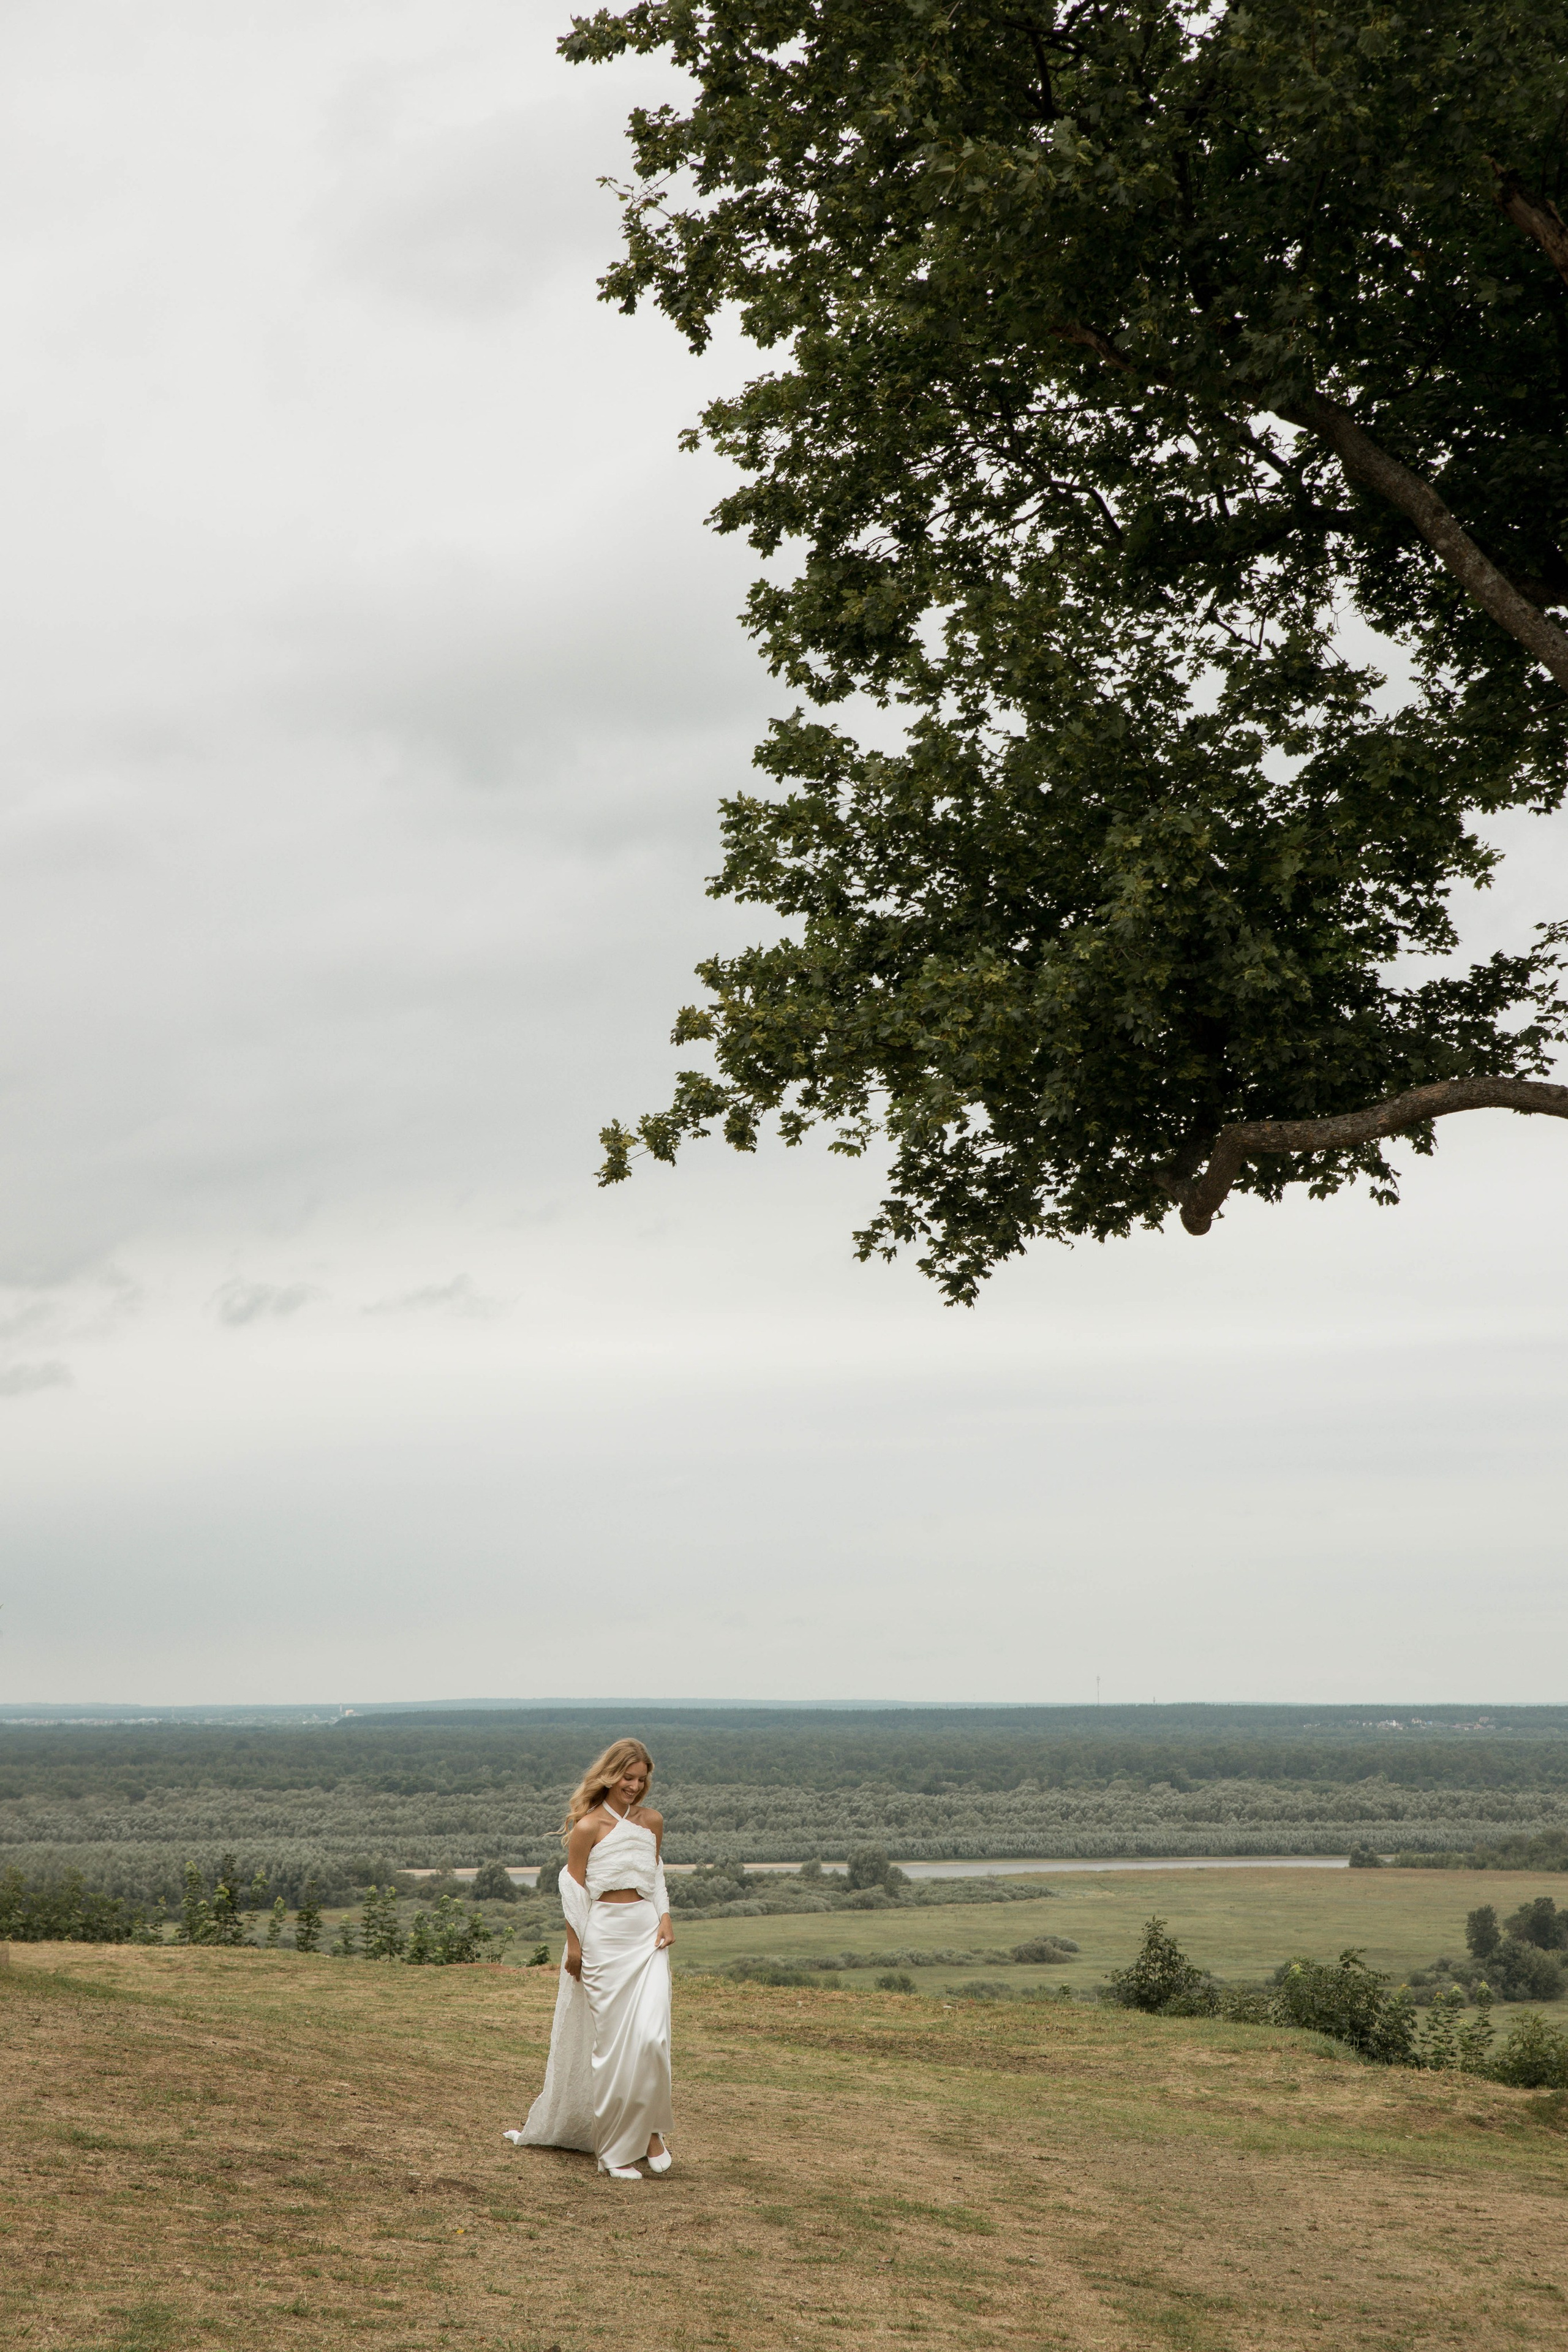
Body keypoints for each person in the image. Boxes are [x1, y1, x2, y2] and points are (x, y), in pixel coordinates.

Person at [503, 1737, 676, 2179]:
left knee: (652, 2040)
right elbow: (573, 1891)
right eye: (627, 1777)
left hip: (646, 1937)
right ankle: (616, 2153)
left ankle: (652, 2131)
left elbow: (655, 1876)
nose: (635, 1786)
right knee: (614, 2049)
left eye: (641, 1779)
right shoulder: (587, 1828)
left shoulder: (652, 1821)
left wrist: (665, 1917)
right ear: (610, 1775)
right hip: (602, 1939)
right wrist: (576, 1947)